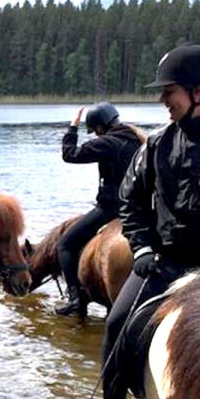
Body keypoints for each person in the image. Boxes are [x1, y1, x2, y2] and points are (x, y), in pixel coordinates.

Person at [79, 44, 200, 399]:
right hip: (166, 262)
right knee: (117, 325)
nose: (162, 100)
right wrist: (142, 248)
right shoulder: (158, 144)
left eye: (169, 91)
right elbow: (130, 201)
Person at [56, 102, 145, 316]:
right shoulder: (137, 138)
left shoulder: (108, 143)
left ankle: (75, 298)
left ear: (99, 127)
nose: (95, 135)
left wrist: (73, 128)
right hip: (138, 207)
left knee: (65, 245)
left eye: (94, 131)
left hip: (112, 208)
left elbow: (70, 154)